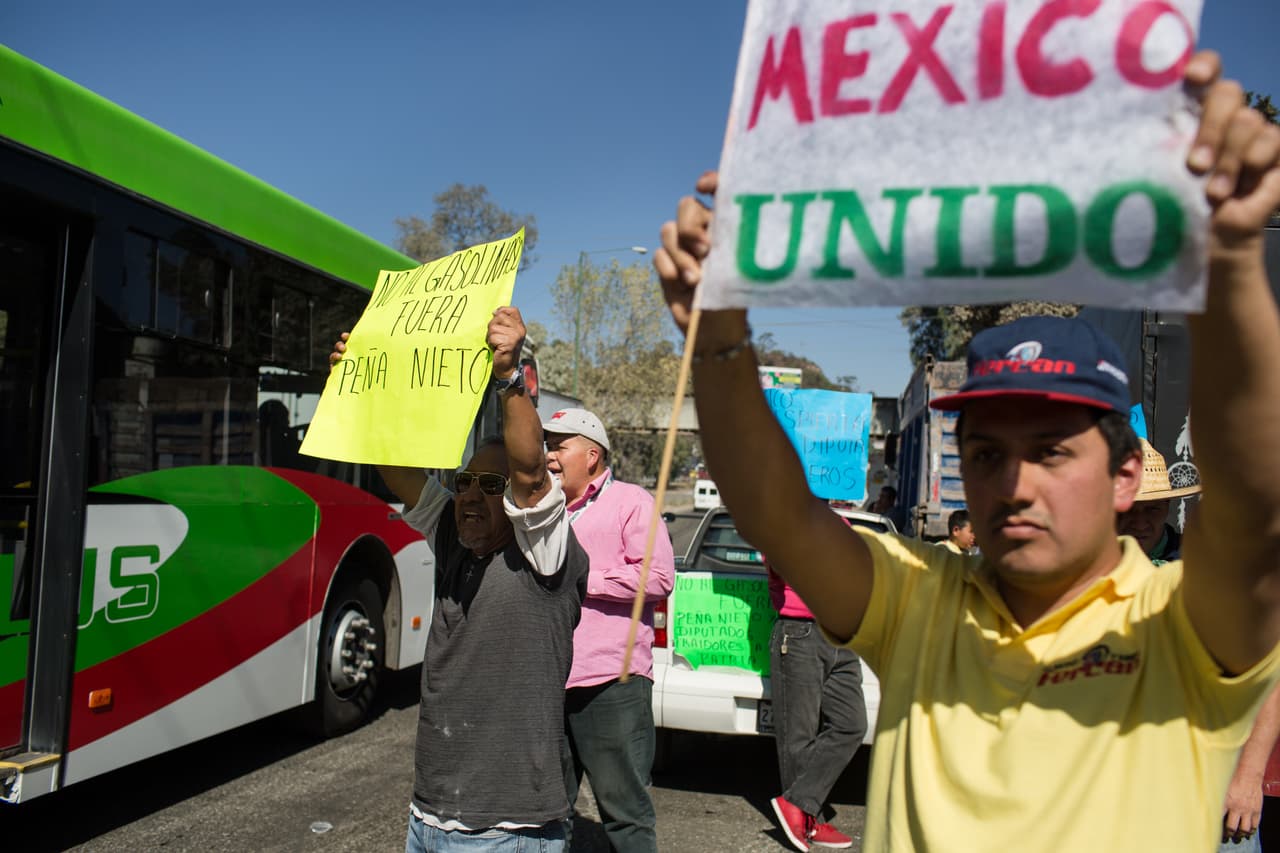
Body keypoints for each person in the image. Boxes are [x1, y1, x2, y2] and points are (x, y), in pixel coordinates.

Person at [653, 52, 1280, 850]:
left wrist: (1226, 259)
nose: (1012, 482)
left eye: (1051, 450)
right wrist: (720, 344)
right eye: (984, 453)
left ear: (1128, 475)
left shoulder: (1184, 625)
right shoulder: (921, 601)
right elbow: (780, 513)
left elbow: (1255, 500)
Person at [332, 308, 588, 852]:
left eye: (489, 483)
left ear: (520, 497)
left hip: (503, 831)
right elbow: (402, 473)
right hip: (429, 817)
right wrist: (360, 393)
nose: (470, 492)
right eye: (464, 480)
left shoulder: (543, 552)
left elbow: (528, 470)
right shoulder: (453, 537)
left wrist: (509, 377)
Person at [1115, 441, 1280, 850]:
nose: (1140, 521)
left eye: (1151, 508)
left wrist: (1247, 778)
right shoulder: (1081, 584)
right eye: (1129, 509)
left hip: (1213, 785)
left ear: (1168, 510)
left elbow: (1269, 678)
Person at [542, 407, 674, 853]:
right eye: (547, 445)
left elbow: (658, 577)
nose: (548, 456)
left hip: (611, 685)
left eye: (559, 446)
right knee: (544, 813)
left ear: (592, 455)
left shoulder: (631, 502)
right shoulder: (542, 507)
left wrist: (583, 579)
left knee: (625, 816)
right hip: (548, 682)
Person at [767, 554, 866, 851]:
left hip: (843, 636)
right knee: (799, 736)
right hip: (801, 633)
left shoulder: (841, 524)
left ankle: (798, 804)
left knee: (852, 725)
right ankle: (808, 818)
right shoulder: (781, 519)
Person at [1117, 438, 1201, 563]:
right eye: (1129, 509)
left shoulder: (1199, 560)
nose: (1140, 524)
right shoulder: (1088, 565)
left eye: (1152, 510)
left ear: (1167, 506)